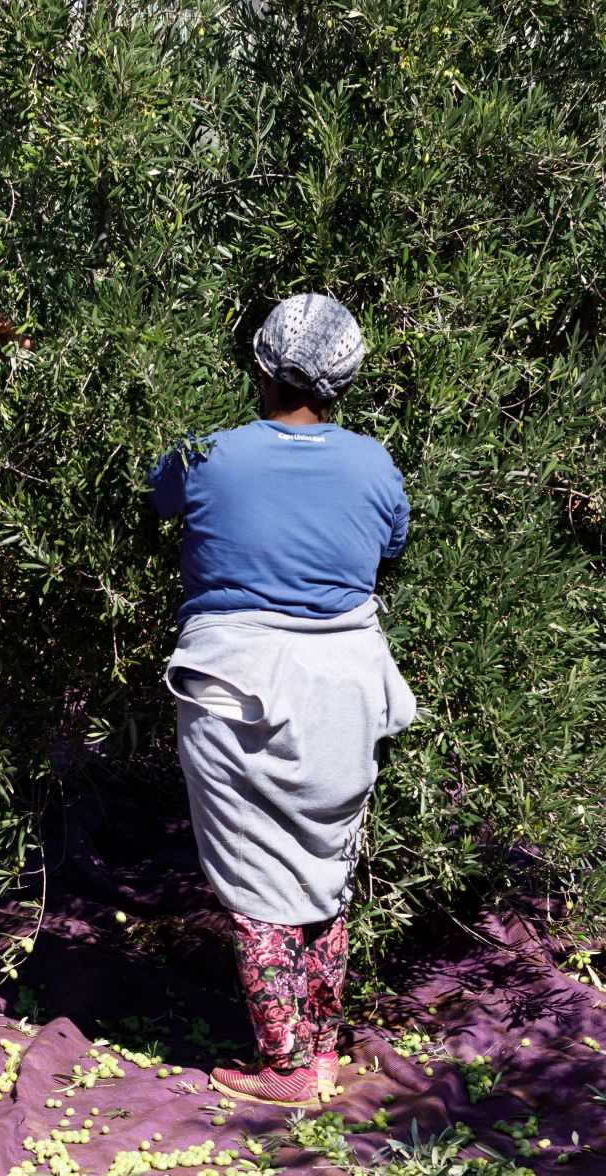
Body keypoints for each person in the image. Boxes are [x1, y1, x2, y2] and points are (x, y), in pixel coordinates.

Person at [149, 293, 416, 1107]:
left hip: (239, 678)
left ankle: (285, 1064)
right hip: (346, 681)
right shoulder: (374, 464)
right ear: (348, 376)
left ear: (260, 364)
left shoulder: (206, 455)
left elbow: (162, 506)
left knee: (253, 873)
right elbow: (391, 543)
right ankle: (322, 1049)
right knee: (324, 868)